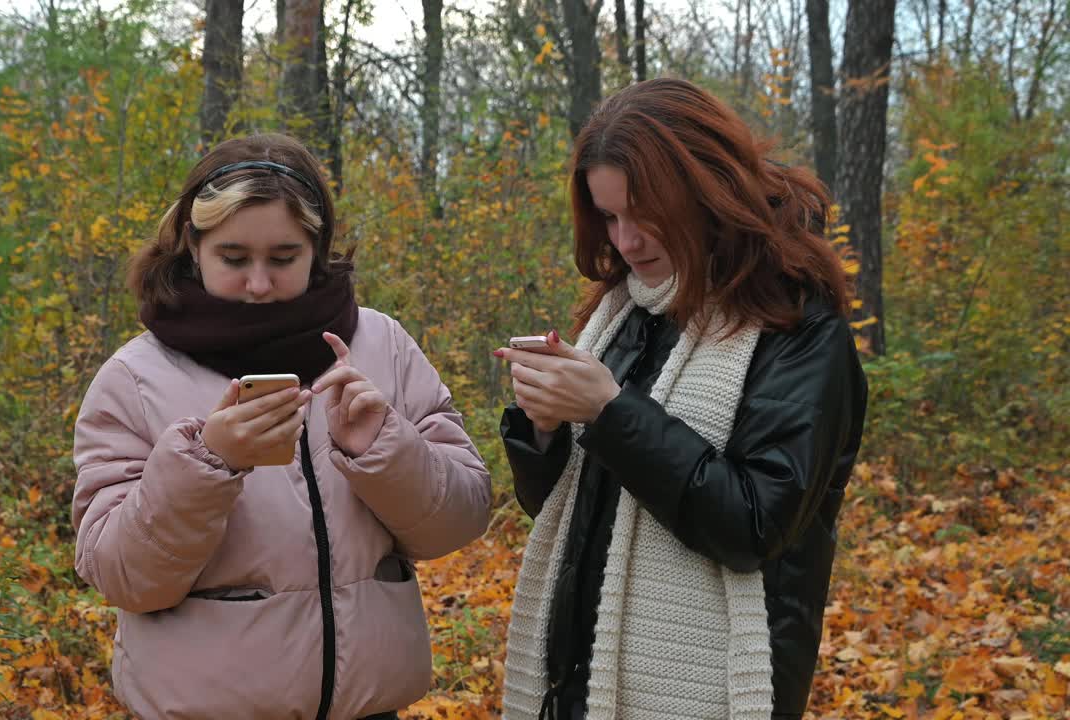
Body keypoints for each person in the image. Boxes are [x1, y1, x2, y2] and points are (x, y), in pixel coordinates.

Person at [71, 133, 492, 720]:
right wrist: (207, 463)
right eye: (234, 259)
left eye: (284, 258)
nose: (260, 283)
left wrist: (385, 447)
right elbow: (123, 577)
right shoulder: (134, 378)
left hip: (369, 709)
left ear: (317, 250)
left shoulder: (381, 345)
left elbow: (461, 520)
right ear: (195, 247)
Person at [494, 78, 868, 720]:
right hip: (581, 684)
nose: (626, 241)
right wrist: (545, 428)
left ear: (710, 192)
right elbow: (560, 512)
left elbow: (755, 524)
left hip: (710, 692)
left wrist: (610, 411)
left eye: (645, 214)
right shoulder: (625, 313)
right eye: (608, 217)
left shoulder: (800, 330)